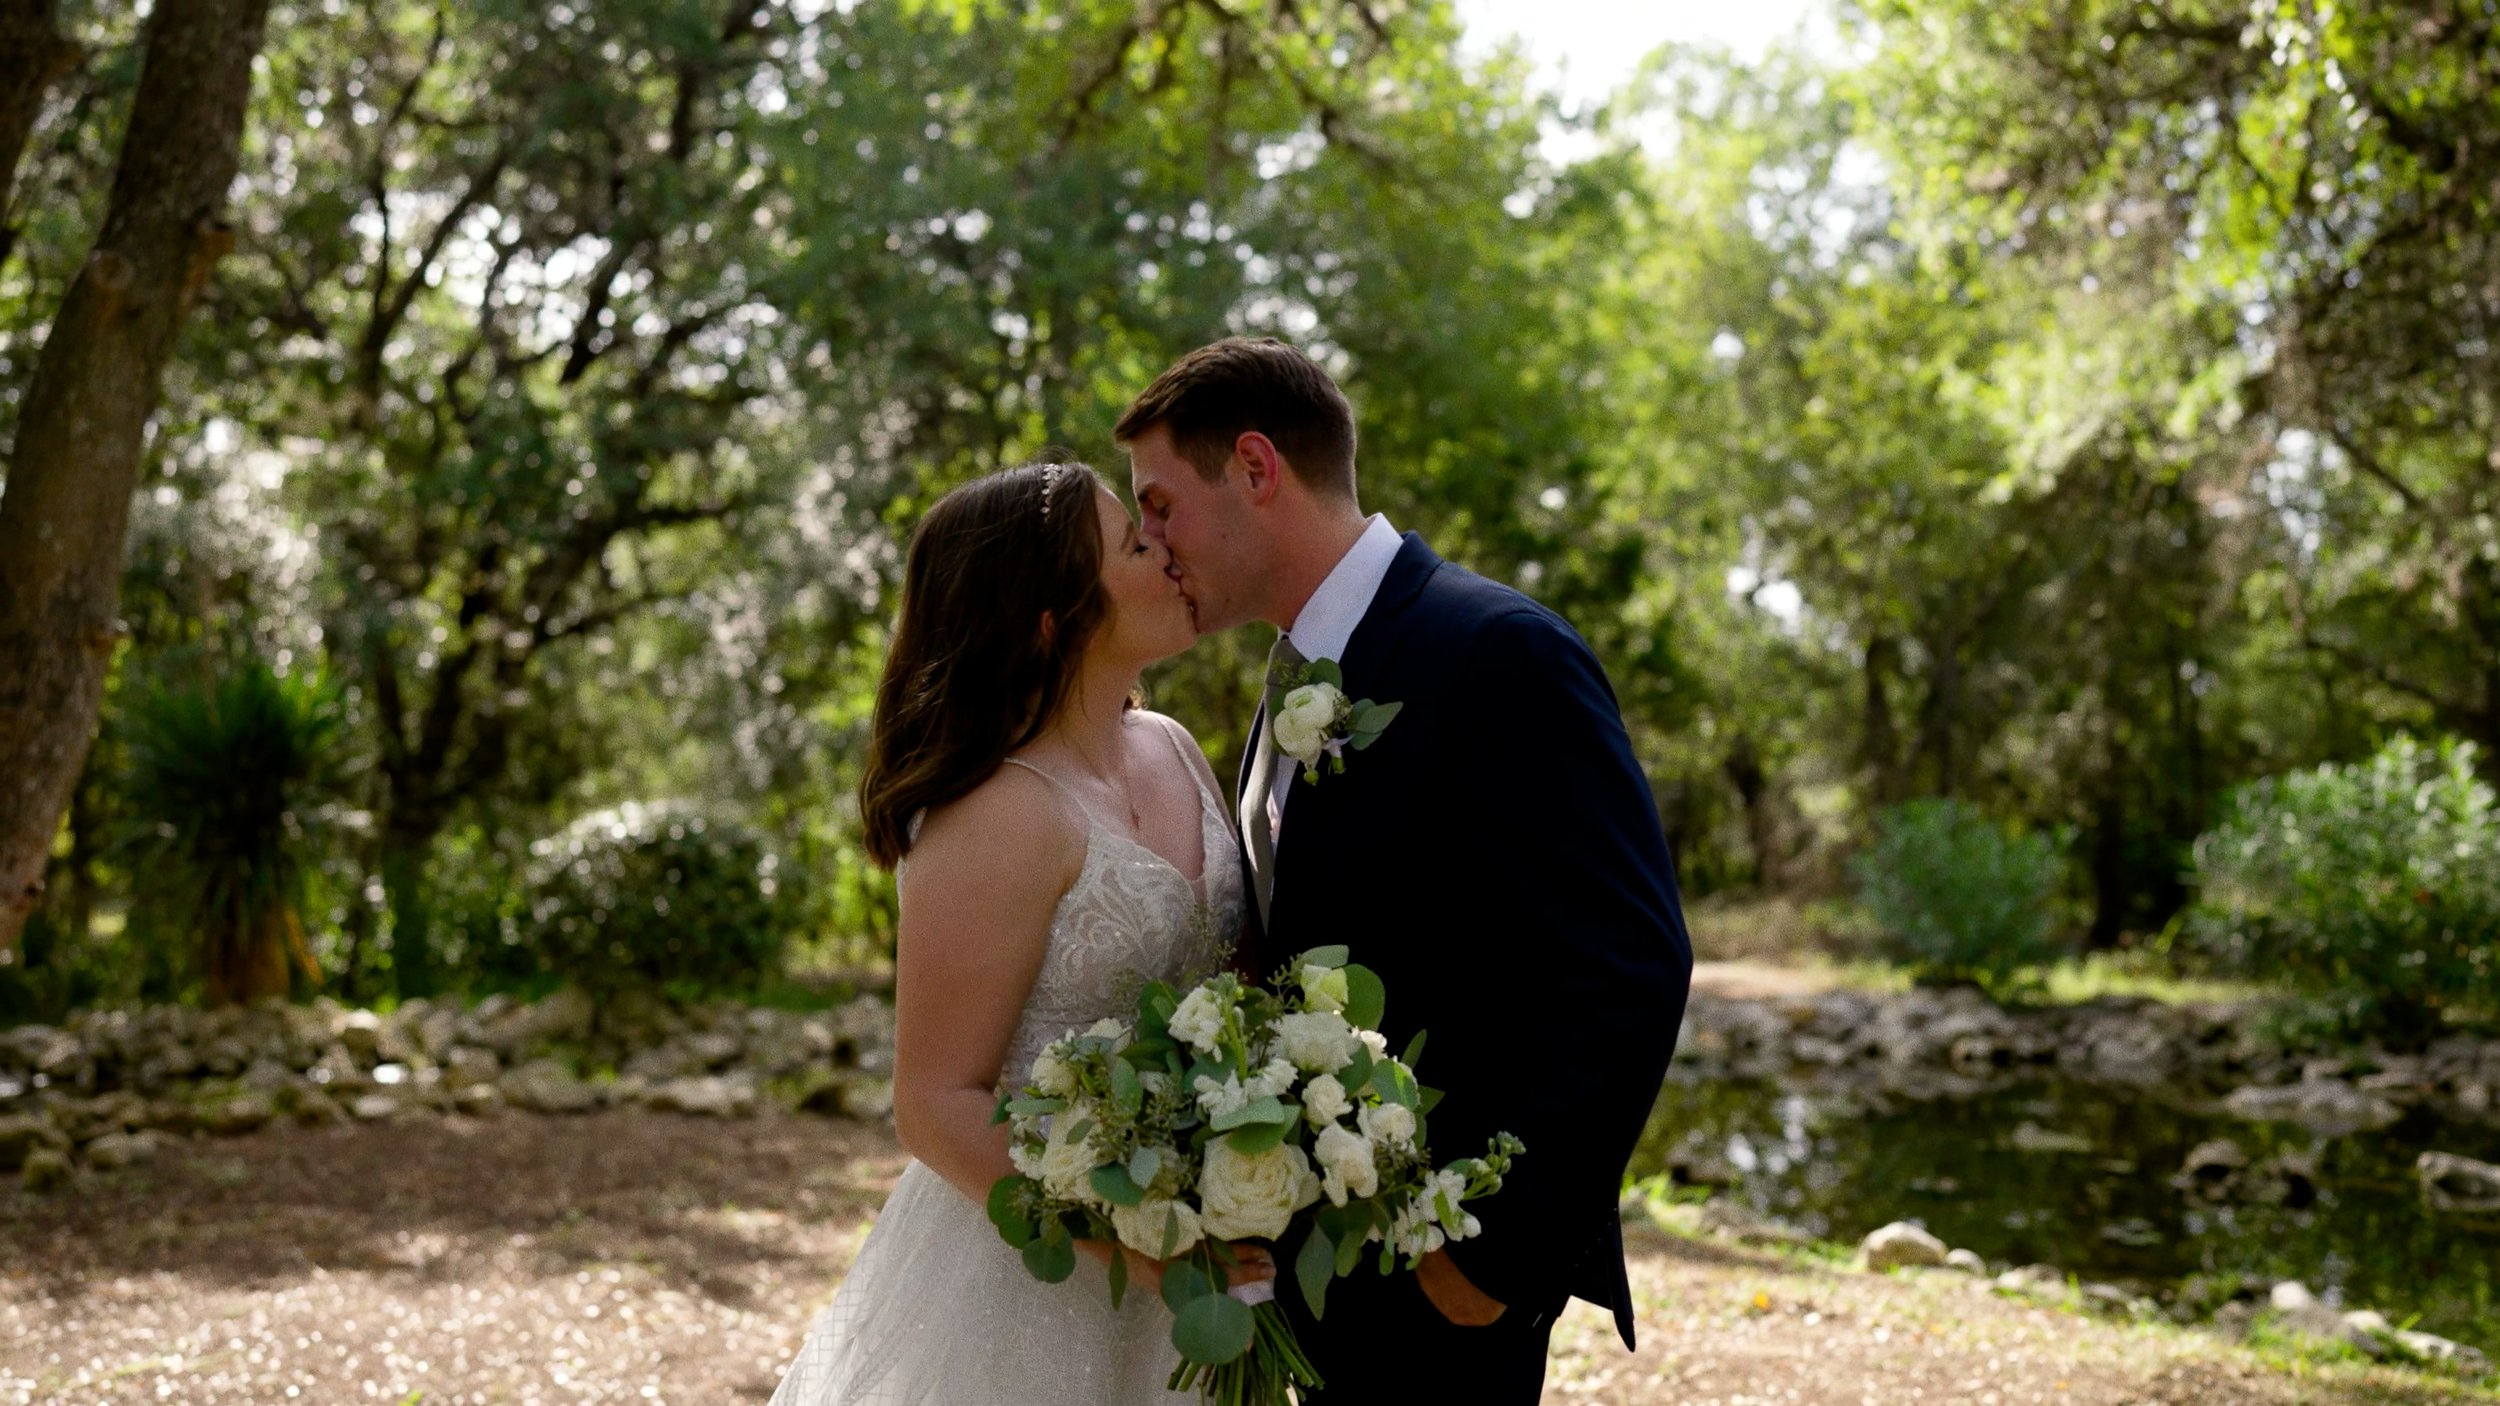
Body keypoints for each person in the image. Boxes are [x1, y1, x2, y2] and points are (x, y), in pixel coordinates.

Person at [1118, 337, 1694, 1403]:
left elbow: (1628, 967)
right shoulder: (1292, 675)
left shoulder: (1498, 649)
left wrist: (1489, 1254)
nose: (1149, 543)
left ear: (1254, 468)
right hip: (1309, 1272)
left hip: (1442, 1280)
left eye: (1157, 505)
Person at [765, 461, 1270, 1406]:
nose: (1166, 550)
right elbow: (934, 1101)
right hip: (1032, 1283)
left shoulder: (1170, 745)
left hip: (1204, 1265)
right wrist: (1133, 1232)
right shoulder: (995, 813)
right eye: (1133, 544)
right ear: (1054, 618)